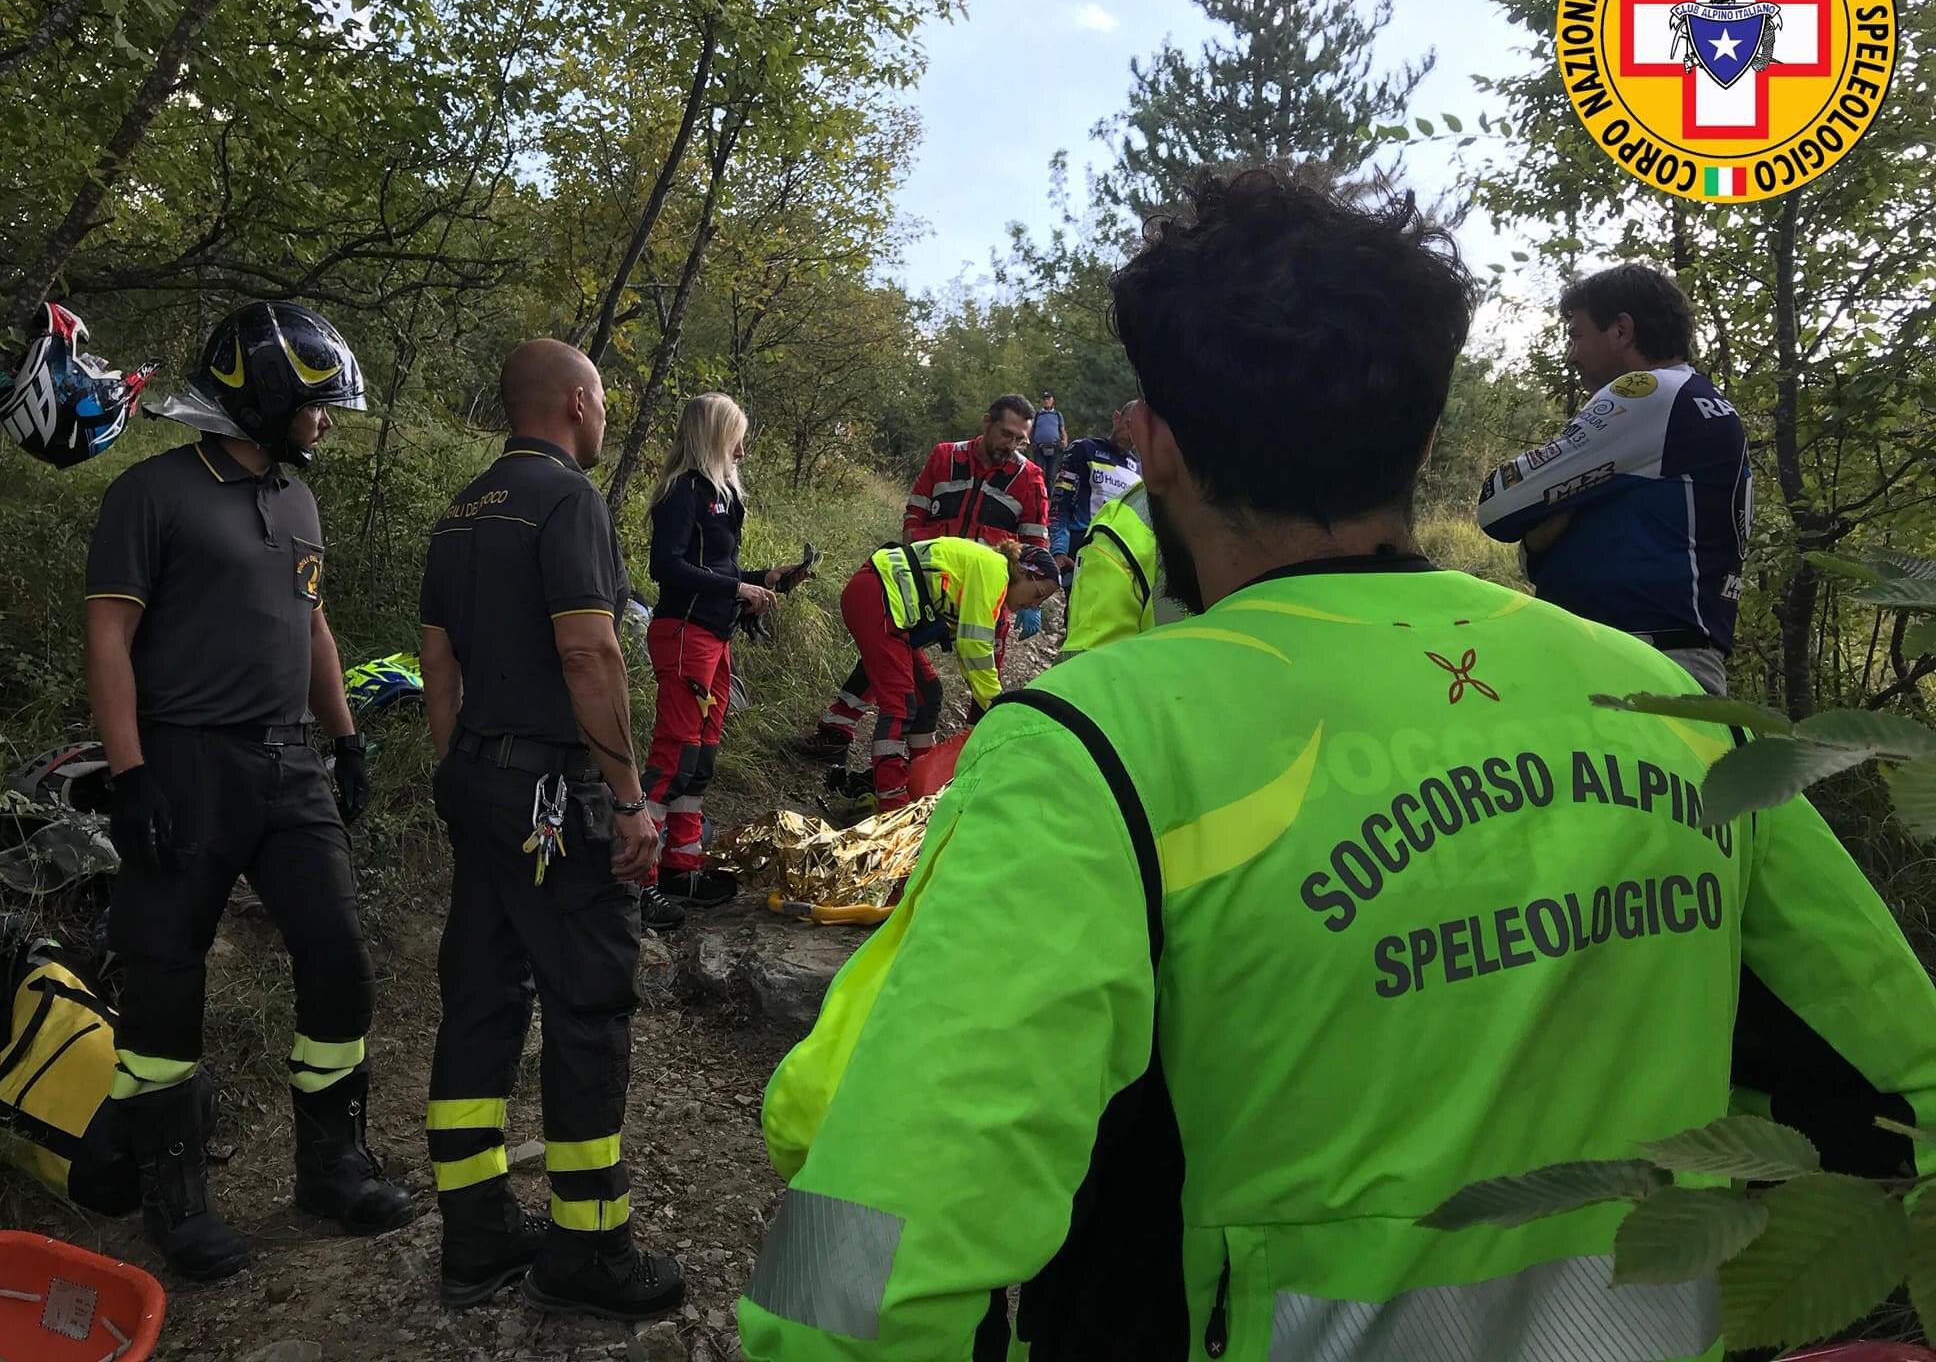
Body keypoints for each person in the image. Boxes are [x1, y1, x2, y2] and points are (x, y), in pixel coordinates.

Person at [736, 167, 1936, 1360]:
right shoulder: (1666, 701)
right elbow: (1899, 1067)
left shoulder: (1092, 742)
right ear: (1420, 437)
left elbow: (872, 1233)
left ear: (1151, 447)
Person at [84, 300, 409, 1283]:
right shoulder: (154, 494)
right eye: (314, 404)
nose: (326, 420)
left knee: (339, 956)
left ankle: (331, 1165)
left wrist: (345, 742)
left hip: (288, 763)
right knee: (167, 979)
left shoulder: (298, 502)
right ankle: (172, 1200)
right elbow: (108, 638)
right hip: (183, 764)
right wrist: (130, 773)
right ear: (261, 400)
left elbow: (312, 627)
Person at [417, 340, 682, 1319]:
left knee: (480, 1000)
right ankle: (588, 1247)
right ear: (576, 403)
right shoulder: (566, 502)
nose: (605, 417)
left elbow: (436, 664)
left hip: (482, 783)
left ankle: (475, 1231)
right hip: (551, 803)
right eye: (602, 401)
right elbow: (587, 652)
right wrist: (624, 796)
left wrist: (459, 774)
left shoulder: (464, 509)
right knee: (585, 1010)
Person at [1475, 264, 1751, 695]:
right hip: (1660, 655)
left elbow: (1498, 504)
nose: (1571, 355)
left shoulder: (1651, 392)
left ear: (1621, 330)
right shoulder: (1697, 401)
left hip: (1644, 663)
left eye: (1577, 335)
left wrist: (1543, 526)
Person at [641, 393, 811, 924]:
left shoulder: (721, 495)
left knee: (702, 754)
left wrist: (763, 580)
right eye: (737, 435)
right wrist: (738, 586)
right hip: (684, 632)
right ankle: (636, 880)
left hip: (714, 634)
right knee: (675, 755)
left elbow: (714, 567)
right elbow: (664, 567)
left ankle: (681, 865)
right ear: (714, 435)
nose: (743, 447)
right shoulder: (681, 493)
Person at [799, 398, 1049, 755]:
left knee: (987, 668)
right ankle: (836, 730)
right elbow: (916, 511)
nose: (1011, 446)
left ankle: (971, 756)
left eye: (1020, 440)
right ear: (986, 422)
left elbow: (1035, 542)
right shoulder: (945, 457)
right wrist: (917, 557)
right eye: (1006, 434)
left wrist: (1027, 596)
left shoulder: (1030, 479)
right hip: (926, 581)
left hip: (985, 590)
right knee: (888, 648)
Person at [821, 537, 1059, 813]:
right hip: (877, 597)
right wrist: (996, 706)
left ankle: (922, 779)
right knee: (900, 704)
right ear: (1025, 572)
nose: (1034, 605)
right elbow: (974, 646)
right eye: (1038, 595)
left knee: (928, 692)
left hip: (885, 603)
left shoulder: (989, 569)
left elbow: (968, 646)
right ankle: (892, 800)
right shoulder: (993, 570)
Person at [1057, 478, 1188, 656]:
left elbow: (1093, 658)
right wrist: (1059, 548)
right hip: (1092, 549)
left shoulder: (1127, 520)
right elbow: (1062, 506)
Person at [1051, 401, 1141, 569]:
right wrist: (1058, 551)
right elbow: (1060, 506)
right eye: (1129, 425)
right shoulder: (1083, 449)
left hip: (1118, 558)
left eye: (1140, 432)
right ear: (1116, 418)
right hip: (1079, 549)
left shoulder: (1139, 470)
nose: (1132, 435)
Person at [1028, 388, 1067, 485]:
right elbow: (1031, 429)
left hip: (1054, 447)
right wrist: (1028, 441)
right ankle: (1039, 496)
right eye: (1044, 399)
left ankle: (1050, 497)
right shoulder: (1037, 414)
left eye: (1048, 398)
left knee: (1051, 475)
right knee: (1038, 474)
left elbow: (1062, 430)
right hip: (1039, 448)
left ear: (1052, 400)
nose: (1046, 401)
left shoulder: (1057, 415)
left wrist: (1065, 441)